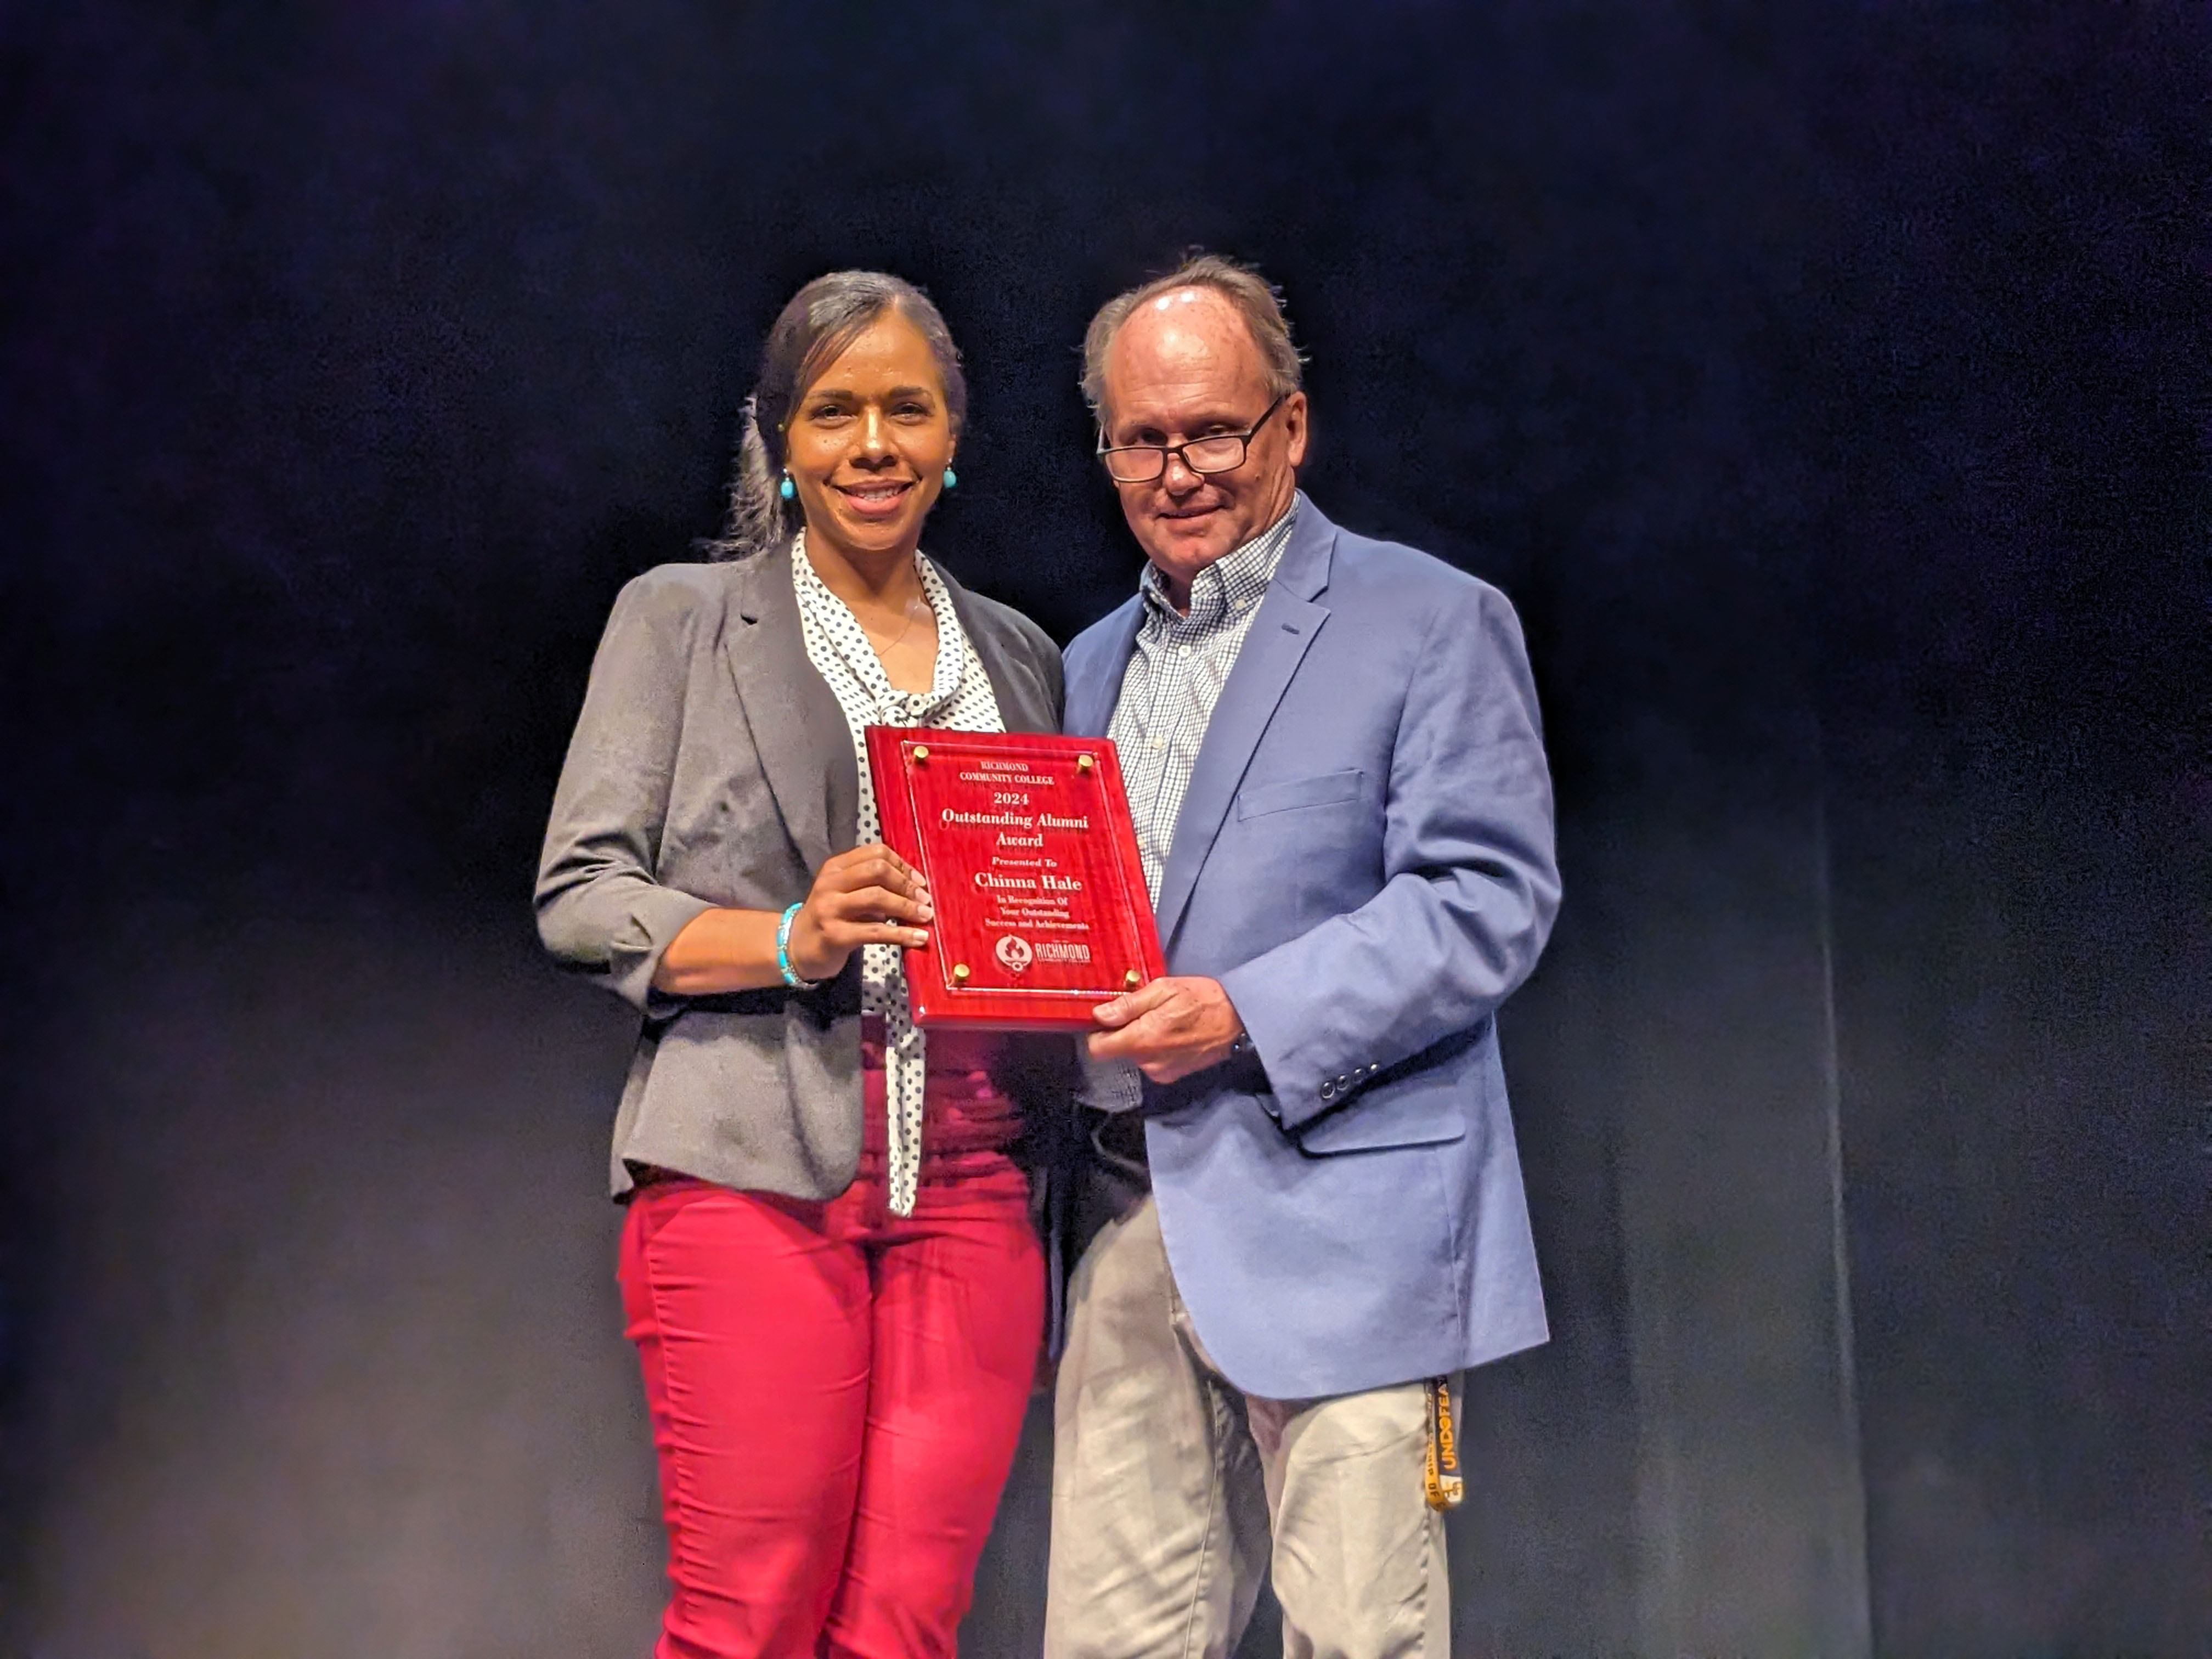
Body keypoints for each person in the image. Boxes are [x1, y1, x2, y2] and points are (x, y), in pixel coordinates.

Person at [536, 270, 1071, 1659]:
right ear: (778, 440)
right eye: (833, 413)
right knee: (752, 1617)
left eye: (908, 408)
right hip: (751, 1170)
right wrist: (789, 937)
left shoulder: (1019, 656)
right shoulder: (682, 619)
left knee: (905, 1626)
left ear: (957, 434)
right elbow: (582, 898)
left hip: (971, 1177)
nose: (873, 444)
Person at [1043, 254, 1562, 1658]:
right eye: (1142, 439)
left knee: (1357, 1640)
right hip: (1129, 1225)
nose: (1179, 471)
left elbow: (1486, 898)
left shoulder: (1428, 620)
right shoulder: (1080, 669)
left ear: (1291, 426)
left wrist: (1243, 1015)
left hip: (1345, 1229)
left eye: (1212, 430)